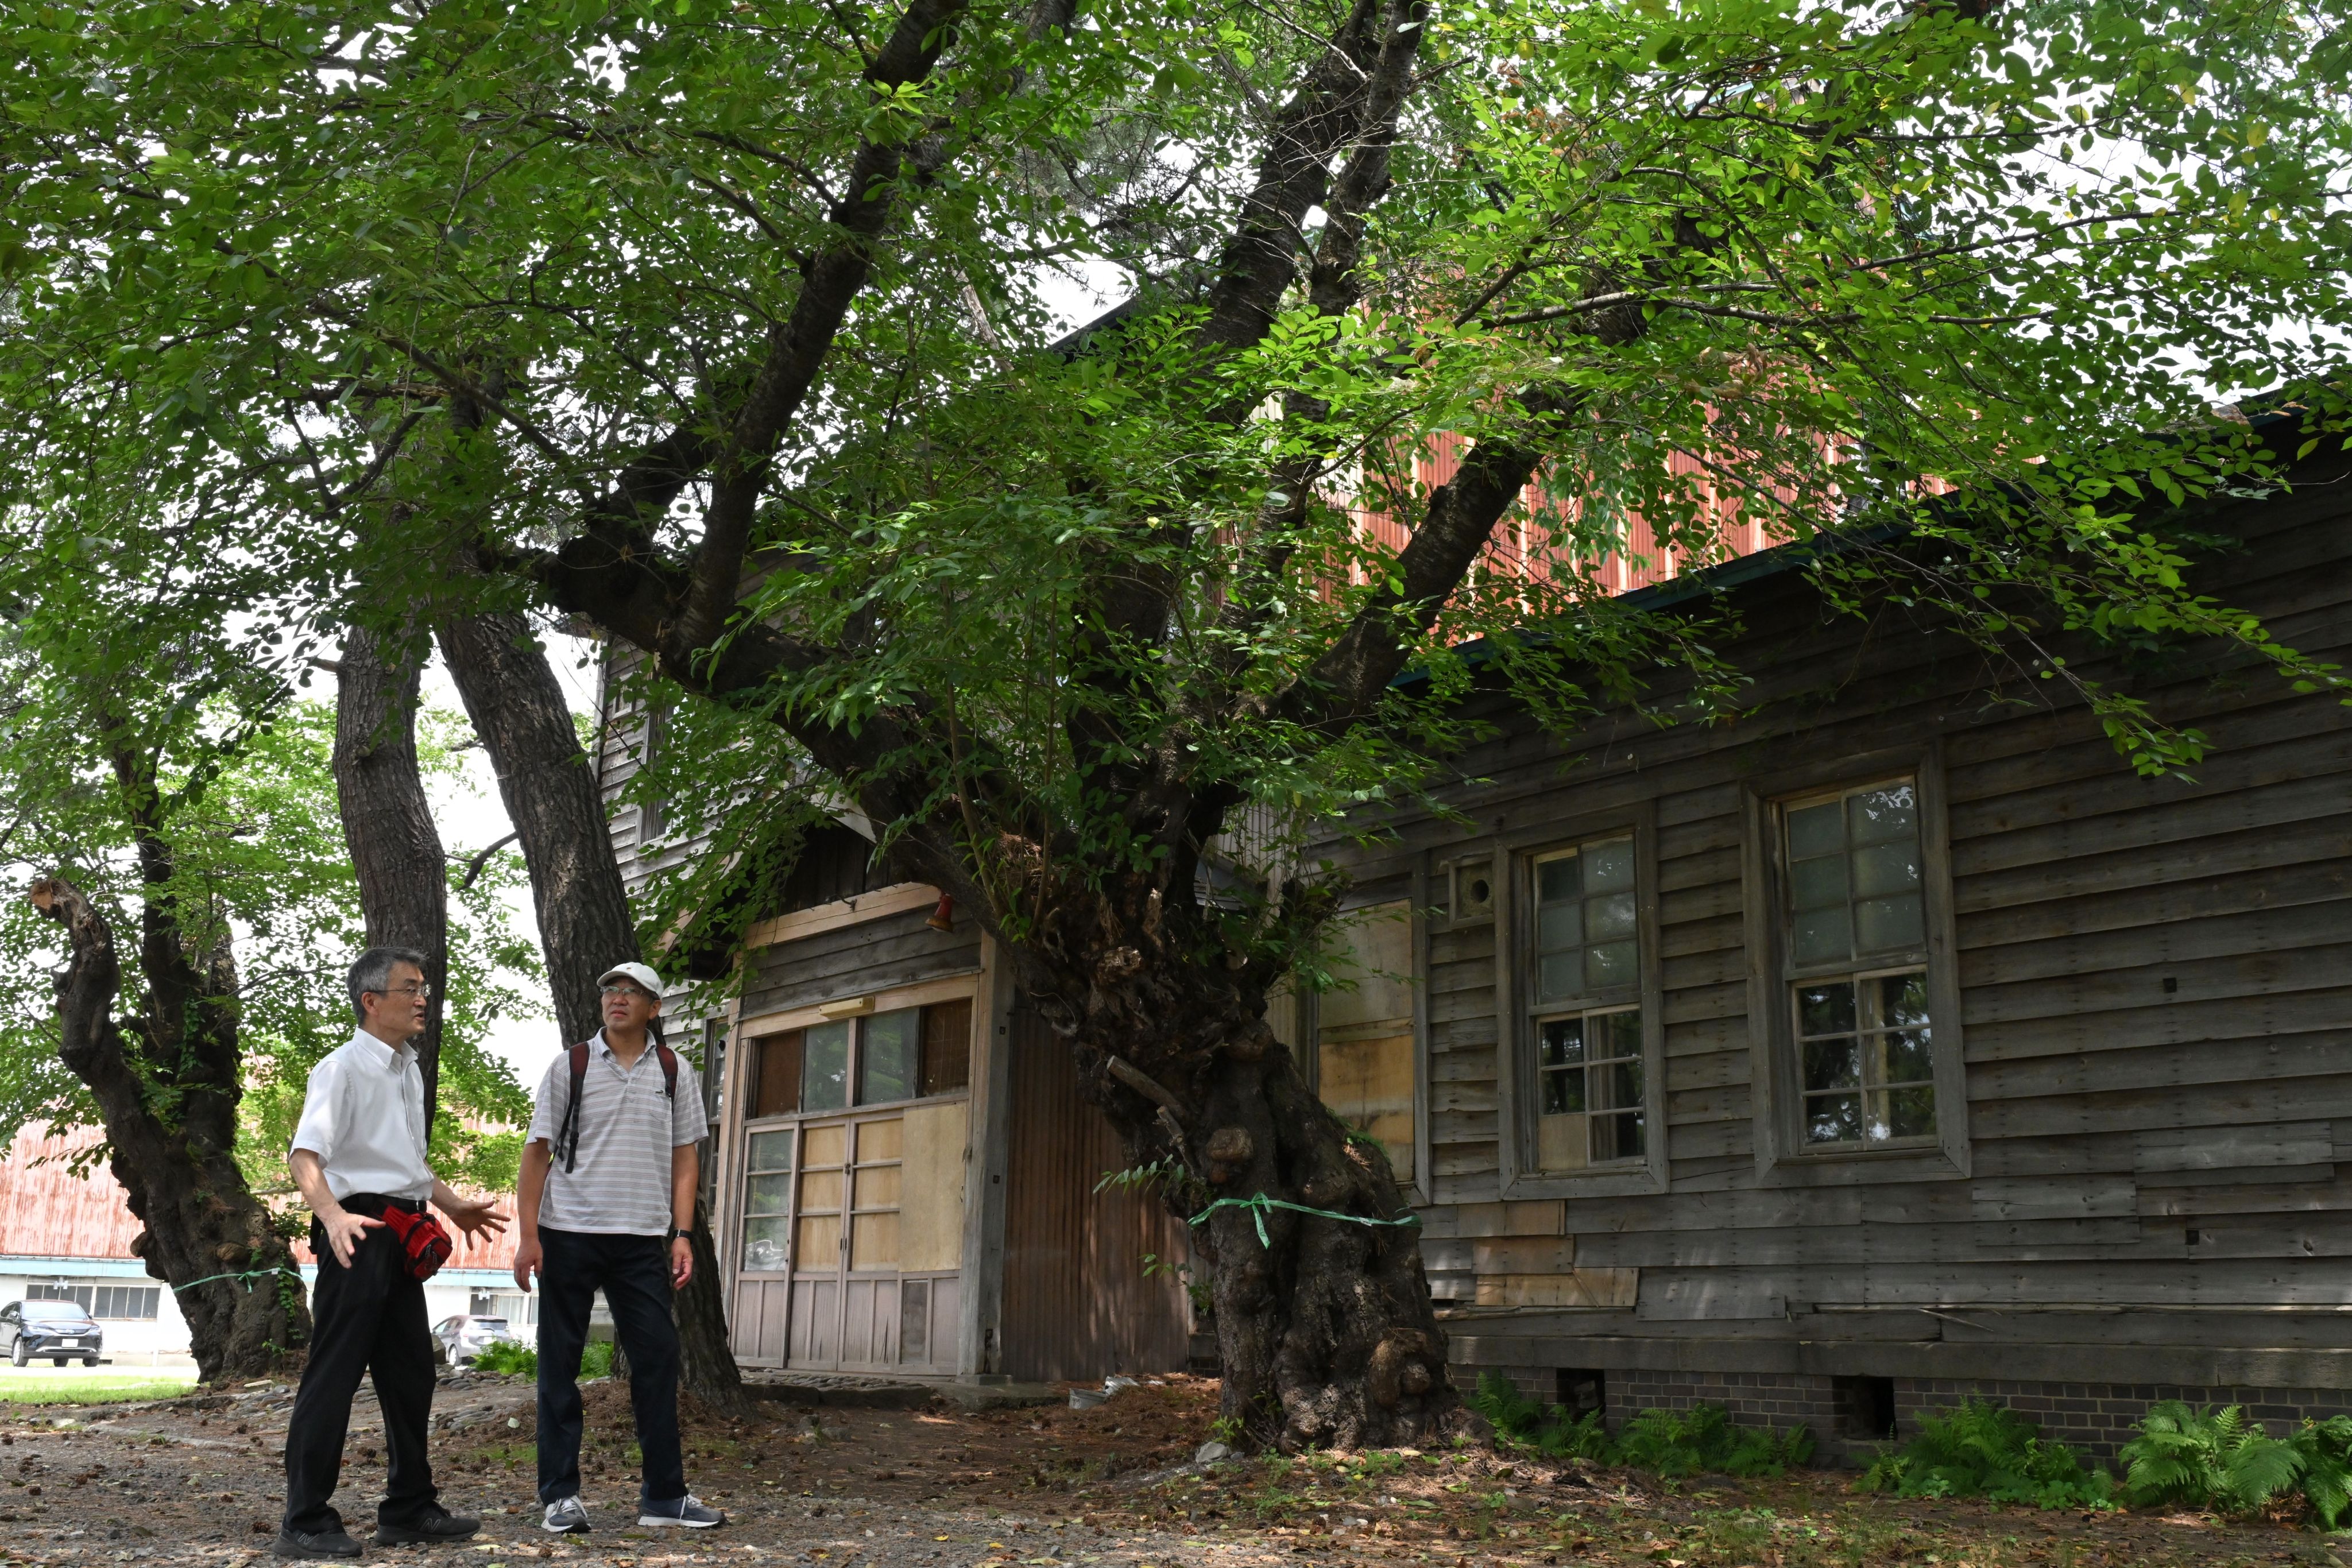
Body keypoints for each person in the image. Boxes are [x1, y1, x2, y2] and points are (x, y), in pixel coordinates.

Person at [280, 946, 509, 1559]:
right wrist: (329, 1216)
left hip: (403, 1232)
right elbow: (306, 1155)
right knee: (333, 1375)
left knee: (411, 1375)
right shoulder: (342, 1067)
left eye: (424, 988)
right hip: (358, 1230)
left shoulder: (407, 1068)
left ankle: (408, 1508)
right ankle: (304, 1519)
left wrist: (453, 1204)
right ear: (371, 1000)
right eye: (410, 988)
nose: (422, 998)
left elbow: (404, 1163)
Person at [514, 961, 722, 1534]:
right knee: (560, 1363)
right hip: (569, 1232)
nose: (618, 998)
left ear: (654, 1007)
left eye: (632, 992)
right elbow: (537, 1152)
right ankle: (560, 1496)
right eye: (610, 990)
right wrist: (528, 1235)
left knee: (657, 1359)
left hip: (641, 1238)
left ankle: (664, 1497)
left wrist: (682, 1234)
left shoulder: (674, 1070)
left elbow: (687, 1159)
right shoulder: (571, 1065)